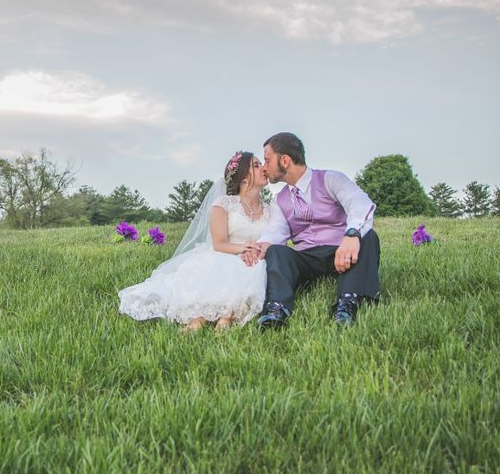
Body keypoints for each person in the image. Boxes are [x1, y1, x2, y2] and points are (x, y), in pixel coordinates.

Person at [241, 132, 380, 329]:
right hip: (306, 258)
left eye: (267, 160)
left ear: (285, 161)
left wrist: (352, 235)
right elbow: (277, 231)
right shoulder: (279, 200)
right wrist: (260, 246)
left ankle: (347, 303)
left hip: (340, 252)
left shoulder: (330, 179)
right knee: (276, 251)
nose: (264, 167)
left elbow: (359, 204)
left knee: (368, 236)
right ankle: (276, 308)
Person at [118, 151, 270, 331]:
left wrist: (256, 251)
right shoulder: (224, 204)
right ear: (244, 177)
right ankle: (199, 318)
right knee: (224, 266)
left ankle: (226, 315)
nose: (264, 168)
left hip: (256, 259)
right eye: (256, 165)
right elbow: (219, 244)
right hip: (225, 253)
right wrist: (244, 248)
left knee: (252, 270)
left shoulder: (270, 209)